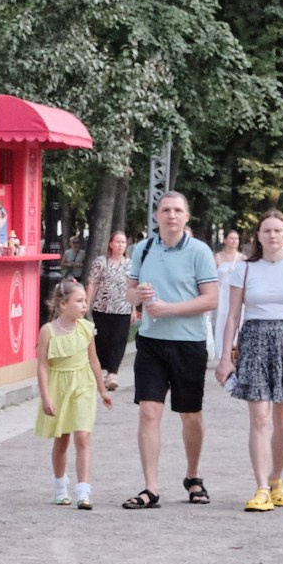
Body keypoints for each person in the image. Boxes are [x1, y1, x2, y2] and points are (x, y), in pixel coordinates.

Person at [217, 207, 283, 512]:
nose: (273, 235)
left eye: (278, 230)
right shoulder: (244, 270)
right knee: (259, 418)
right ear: (258, 236)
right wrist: (225, 357)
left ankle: (277, 479)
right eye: (267, 231)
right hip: (255, 342)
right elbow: (233, 316)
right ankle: (261, 486)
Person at [123, 190, 220, 510]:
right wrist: (140, 295)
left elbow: (211, 299)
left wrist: (169, 309)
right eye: (166, 210)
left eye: (178, 210)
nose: (172, 215)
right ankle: (151, 487)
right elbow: (130, 296)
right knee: (149, 411)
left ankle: (193, 477)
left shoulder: (200, 251)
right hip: (151, 344)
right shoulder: (143, 249)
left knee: (190, 414)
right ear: (156, 216)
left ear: (186, 217)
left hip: (188, 343)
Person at [36, 274, 113, 509]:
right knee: (62, 440)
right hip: (59, 386)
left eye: (84, 301)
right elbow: (42, 366)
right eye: (79, 301)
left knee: (83, 436)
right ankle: (60, 487)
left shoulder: (87, 329)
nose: (84, 305)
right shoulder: (48, 331)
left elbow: (94, 361)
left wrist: (102, 390)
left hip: (83, 385)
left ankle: (83, 491)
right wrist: (46, 397)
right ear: (63, 304)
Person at [85, 228, 135, 383]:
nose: (121, 245)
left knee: (118, 341)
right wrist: (87, 303)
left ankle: (113, 373)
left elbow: (132, 287)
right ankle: (99, 371)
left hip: (123, 308)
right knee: (102, 339)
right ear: (111, 244)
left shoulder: (130, 265)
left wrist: (134, 309)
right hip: (102, 308)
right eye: (118, 242)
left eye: (123, 242)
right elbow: (92, 284)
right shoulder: (101, 262)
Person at [209, 227, 246, 363]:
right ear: (225, 240)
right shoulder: (218, 257)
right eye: (231, 238)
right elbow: (213, 277)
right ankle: (222, 351)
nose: (234, 241)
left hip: (236, 294)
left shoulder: (242, 258)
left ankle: (236, 350)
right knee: (222, 320)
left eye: (236, 239)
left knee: (238, 320)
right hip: (222, 294)